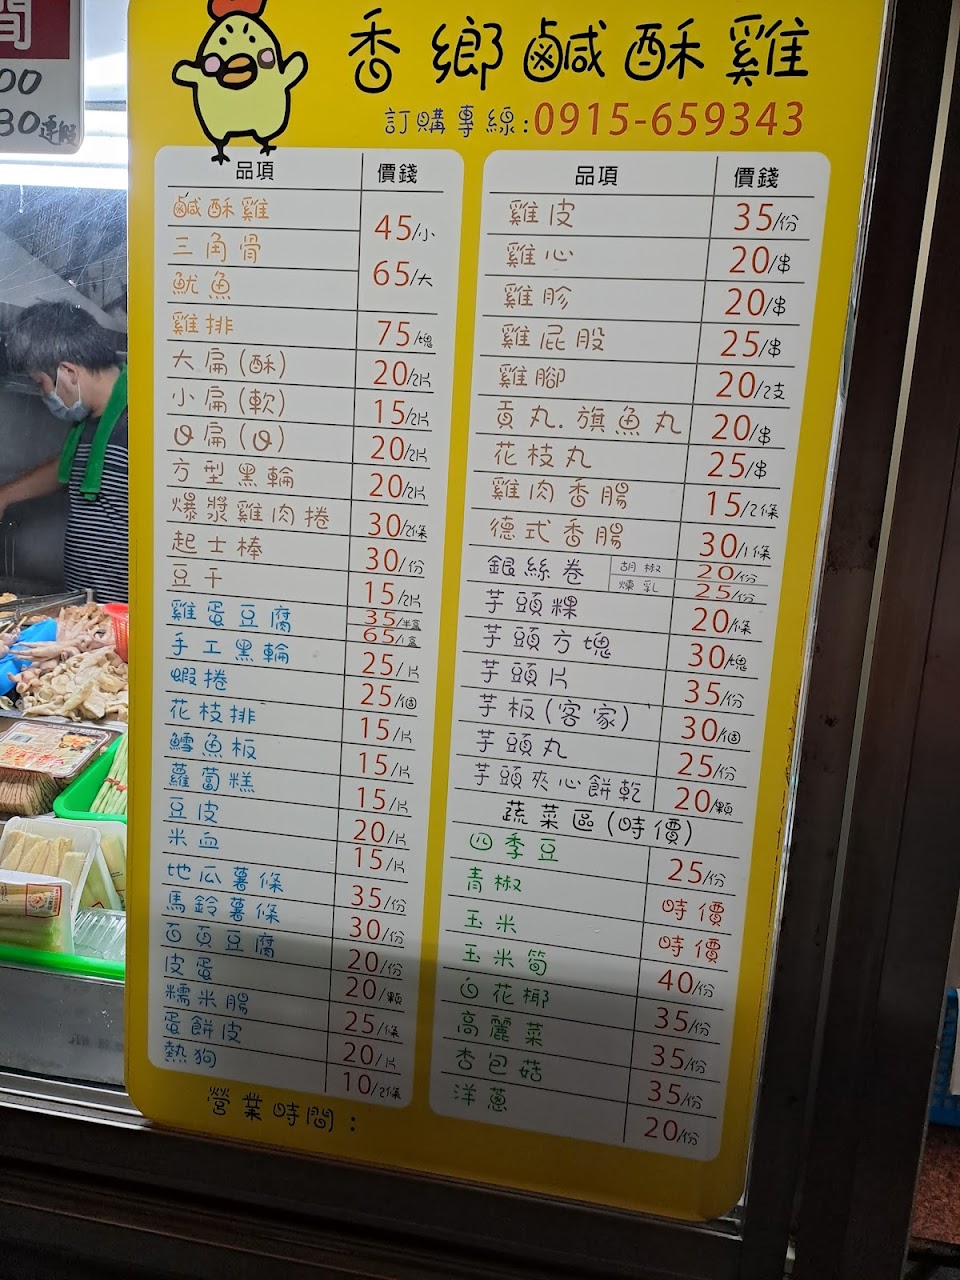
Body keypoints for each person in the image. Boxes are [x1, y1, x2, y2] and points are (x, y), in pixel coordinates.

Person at [0, 301, 129, 603]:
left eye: (41, 383)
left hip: (125, 615)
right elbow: (68, 468)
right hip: (85, 609)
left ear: (68, 372)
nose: (43, 393)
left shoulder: (143, 422)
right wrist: (5, 495)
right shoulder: (90, 422)